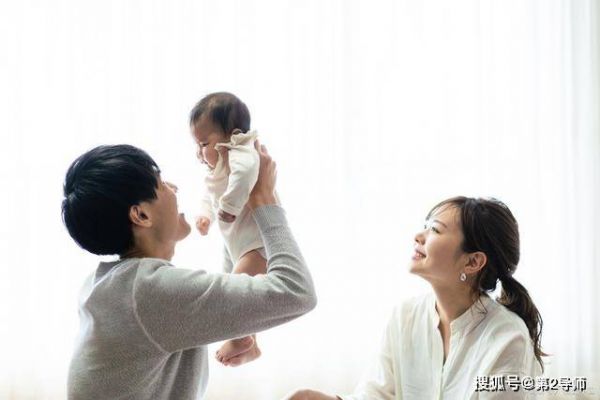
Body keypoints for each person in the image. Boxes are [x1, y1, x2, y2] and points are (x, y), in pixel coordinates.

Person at [61, 143, 317, 400]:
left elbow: (225, 289)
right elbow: (296, 291)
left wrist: (237, 218)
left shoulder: (112, 285)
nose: (174, 188)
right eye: (161, 183)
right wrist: (265, 199)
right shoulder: (150, 292)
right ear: (141, 215)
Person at [286, 196, 544, 400]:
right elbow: (378, 394)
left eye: (435, 230)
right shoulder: (405, 316)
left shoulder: (508, 337)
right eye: (425, 226)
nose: (419, 236)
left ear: (473, 262)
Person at [190, 92, 277, 366]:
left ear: (232, 135)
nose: (199, 152)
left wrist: (229, 206)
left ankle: (241, 340)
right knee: (240, 296)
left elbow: (246, 174)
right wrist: (205, 214)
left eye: (204, 143)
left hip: (257, 245)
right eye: (197, 145)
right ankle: (251, 343)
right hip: (236, 246)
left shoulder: (242, 153)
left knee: (231, 296)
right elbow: (210, 192)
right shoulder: (218, 168)